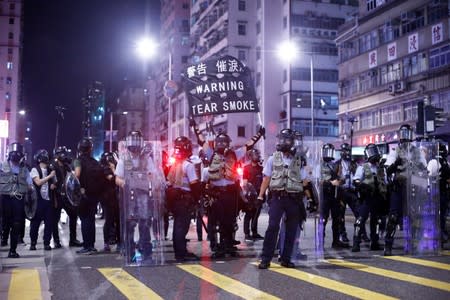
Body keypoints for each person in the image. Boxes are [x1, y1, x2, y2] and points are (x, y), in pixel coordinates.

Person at [192, 118, 265, 258]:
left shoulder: (234, 154)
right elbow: (201, 141)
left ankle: (228, 244)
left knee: (229, 220)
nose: (222, 145)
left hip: (230, 194)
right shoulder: (211, 153)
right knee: (215, 221)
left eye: (224, 142)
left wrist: (259, 135)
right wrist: (195, 127)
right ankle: (216, 246)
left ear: (228, 143)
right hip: (215, 194)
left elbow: (248, 146)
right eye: (220, 142)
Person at [257, 129, 307, 269]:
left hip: (293, 199)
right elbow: (266, 178)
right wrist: (260, 195)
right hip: (277, 197)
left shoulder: (299, 160)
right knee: (272, 227)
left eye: (287, 140)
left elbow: (304, 180)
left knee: (291, 230)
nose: (284, 142)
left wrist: (309, 198)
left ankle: (286, 258)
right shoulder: (273, 158)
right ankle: (265, 259)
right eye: (282, 139)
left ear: (292, 142)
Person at [115, 130, 162, 263]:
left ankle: (147, 253)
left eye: (137, 141)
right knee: (130, 225)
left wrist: (155, 182)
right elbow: (117, 178)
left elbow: (153, 174)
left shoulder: (146, 158)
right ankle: (130, 254)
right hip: (129, 195)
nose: (135, 145)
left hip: (143, 195)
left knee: (145, 223)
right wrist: (125, 184)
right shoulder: (124, 158)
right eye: (132, 141)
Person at [383, 124, 426, 256]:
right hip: (399, 186)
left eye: (407, 133)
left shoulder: (417, 151)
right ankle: (388, 245)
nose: (405, 136)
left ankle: (413, 244)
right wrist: (396, 162)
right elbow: (387, 170)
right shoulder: (395, 151)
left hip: (413, 186)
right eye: (403, 133)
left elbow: (424, 168)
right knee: (393, 216)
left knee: (414, 215)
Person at [166, 136, 202, 261]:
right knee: (182, 226)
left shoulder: (174, 165)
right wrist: (198, 198)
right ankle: (181, 254)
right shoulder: (188, 165)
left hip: (175, 200)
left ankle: (179, 251)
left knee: (178, 226)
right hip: (184, 200)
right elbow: (194, 184)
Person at [352, 143, 387, 252]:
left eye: (374, 151)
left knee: (376, 221)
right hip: (366, 198)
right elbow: (356, 180)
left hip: (377, 197)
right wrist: (362, 186)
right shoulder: (363, 167)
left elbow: (385, 182)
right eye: (371, 152)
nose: (373, 154)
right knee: (360, 220)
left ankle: (374, 242)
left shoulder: (380, 168)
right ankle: (356, 242)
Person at [0, 143, 33, 258]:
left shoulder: (25, 169)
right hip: (5, 199)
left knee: (16, 224)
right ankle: (4, 240)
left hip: (18, 200)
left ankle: (12, 250)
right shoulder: (1, 165)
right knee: (4, 222)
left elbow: (30, 185)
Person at [74, 138, 106, 254]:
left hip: (83, 194)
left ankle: (87, 246)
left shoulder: (78, 161)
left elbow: (77, 174)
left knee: (85, 220)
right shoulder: (94, 162)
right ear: (90, 149)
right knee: (91, 219)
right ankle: (91, 245)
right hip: (94, 195)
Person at [51, 146, 82, 248]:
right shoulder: (53, 166)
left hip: (67, 196)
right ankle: (56, 241)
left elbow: (72, 178)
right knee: (55, 219)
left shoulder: (67, 166)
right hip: (57, 195)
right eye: (61, 153)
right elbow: (53, 182)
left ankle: (72, 240)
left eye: (63, 153)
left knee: (73, 216)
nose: (63, 155)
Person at [319, 143, 347, 249]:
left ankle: (336, 241)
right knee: (323, 219)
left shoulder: (336, 165)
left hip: (335, 195)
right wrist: (331, 183)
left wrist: (339, 181)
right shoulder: (320, 165)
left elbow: (342, 179)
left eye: (329, 151)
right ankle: (320, 241)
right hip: (325, 195)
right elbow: (319, 181)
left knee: (337, 219)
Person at [335, 143, 363, 246]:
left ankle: (361, 233)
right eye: (344, 151)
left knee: (359, 213)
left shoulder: (354, 164)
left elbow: (357, 176)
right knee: (340, 215)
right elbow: (334, 177)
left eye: (348, 151)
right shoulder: (337, 164)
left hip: (352, 191)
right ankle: (343, 234)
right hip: (341, 191)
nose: (346, 153)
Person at [29, 149, 56, 251]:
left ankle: (47, 243)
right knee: (35, 223)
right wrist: (50, 177)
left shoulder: (50, 169)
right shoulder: (34, 170)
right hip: (38, 201)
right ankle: (33, 243)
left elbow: (54, 182)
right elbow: (38, 182)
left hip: (48, 200)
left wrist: (53, 184)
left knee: (49, 223)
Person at [99, 151, 120, 252]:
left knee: (118, 221)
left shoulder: (114, 168)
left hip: (116, 198)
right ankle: (106, 243)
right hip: (108, 199)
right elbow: (113, 179)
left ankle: (119, 242)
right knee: (109, 221)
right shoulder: (105, 169)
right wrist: (113, 169)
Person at [242, 149, 264, 241]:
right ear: (250, 156)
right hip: (250, 195)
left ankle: (254, 232)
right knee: (248, 215)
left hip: (259, 194)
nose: (257, 156)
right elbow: (245, 182)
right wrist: (247, 194)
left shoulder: (261, 168)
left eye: (257, 155)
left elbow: (263, 181)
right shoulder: (246, 168)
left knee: (256, 214)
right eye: (255, 155)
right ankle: (247, 234)